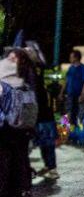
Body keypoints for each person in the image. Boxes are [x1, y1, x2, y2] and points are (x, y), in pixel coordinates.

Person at [0, 50, 37, 197]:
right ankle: (17, 194)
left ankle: (3, 194)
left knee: (3, 160)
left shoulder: (3, 81)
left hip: (6, 126)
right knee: (19, 158)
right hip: (23, 126)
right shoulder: (26, 80)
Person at [23, 45, 58, 183]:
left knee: (47, 141)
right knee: (39, 142)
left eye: (29, 52)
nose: (27, 54)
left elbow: (55, 87)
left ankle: (52, 169)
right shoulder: (27, 70)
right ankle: (47, 166)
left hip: (45, 112)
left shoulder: (45, 69)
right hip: (34, 113)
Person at [63, 49, 84, 143]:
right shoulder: (71, 68)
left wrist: (82, 94)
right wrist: (61, 92)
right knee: (67, 116)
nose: (70, 58)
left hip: (79, 95)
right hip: (70, 95)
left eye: (71, 57)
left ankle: (80, 136)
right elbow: (66, 81)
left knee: (80, 116)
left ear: (76, 57)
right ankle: (67, 135)